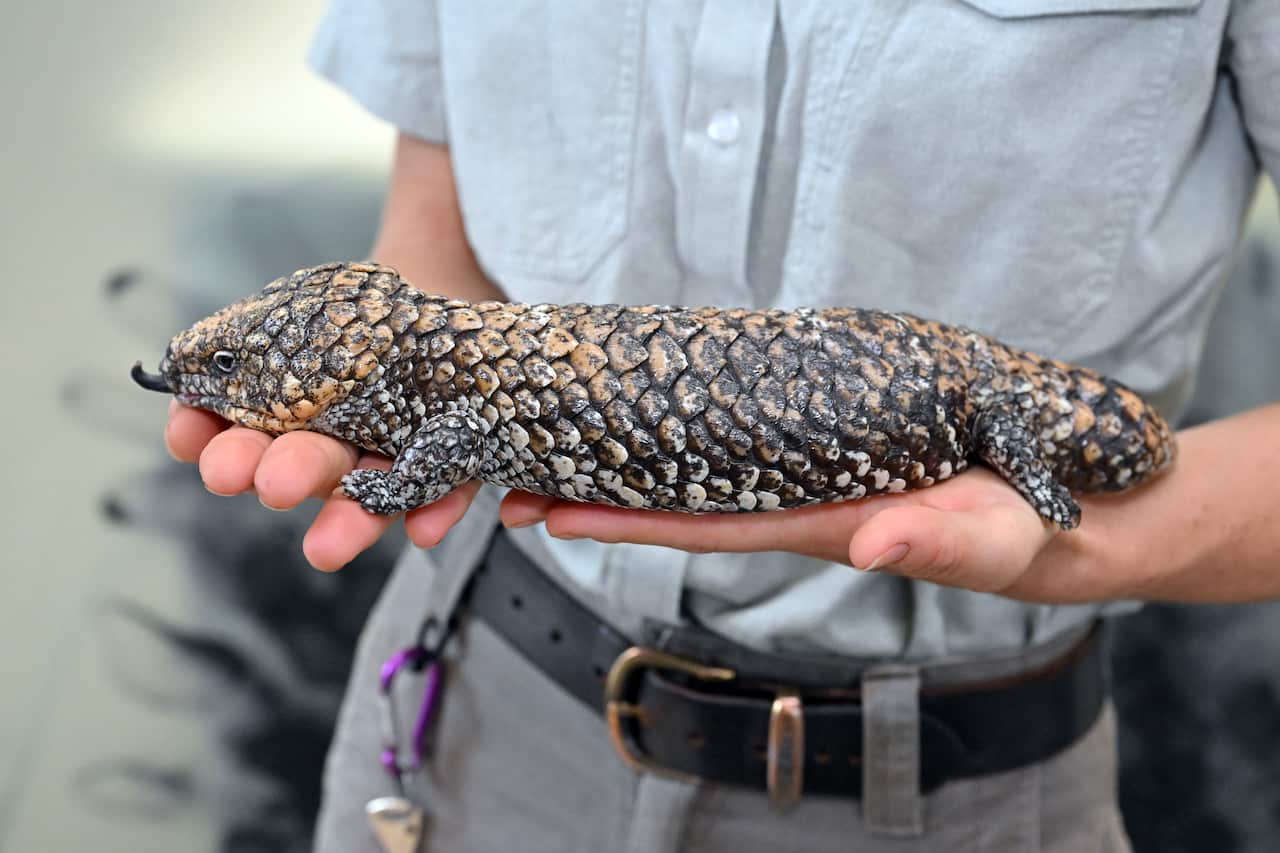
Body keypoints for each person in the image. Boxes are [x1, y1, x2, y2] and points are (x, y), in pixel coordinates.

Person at [165, 1, 1280, 850]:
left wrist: (1082, 544)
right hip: (461, 716)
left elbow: (1134, 459)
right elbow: (430, 237)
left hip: (946, 786)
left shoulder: (987, 403)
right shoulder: (404, 365)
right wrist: (367, 408)